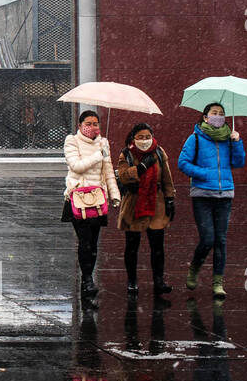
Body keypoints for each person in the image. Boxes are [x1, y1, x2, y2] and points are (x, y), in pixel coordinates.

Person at [177, 102, 246, 299]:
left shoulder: (228, 138)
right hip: (202, 195)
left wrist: (237, 142)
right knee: (208, 238)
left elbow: (238, 163)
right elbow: (182, 163)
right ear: (205, 117)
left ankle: (218, 283)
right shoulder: (195, 139)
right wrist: (204, 173)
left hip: (224, 195)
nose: (218, 116)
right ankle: (194, 268)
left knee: (221, 240)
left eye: (222, 114)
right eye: (214, 113)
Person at [63, 110, 121, 302]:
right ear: (80, 125)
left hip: (97, 200)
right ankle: (87, 279)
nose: (93, 127)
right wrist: (98, 155)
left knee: (93, 243)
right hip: (78, 199)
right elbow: (76, 166)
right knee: (85, 240)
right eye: (88, 123)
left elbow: (108, 171)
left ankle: (87, 280)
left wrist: (115, 195)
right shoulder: (71, 141)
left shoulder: (103, 143)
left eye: (96, 123)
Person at [115, 123, 177, 300]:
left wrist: (170, 198)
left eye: (147, 136)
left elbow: (167, 178)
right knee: (132, 246)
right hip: (134, 203)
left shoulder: (159, 152)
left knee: (157, 246)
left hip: (156, 203)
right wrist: (140, 167)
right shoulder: (126, 153)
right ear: (133, 138)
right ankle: (132, 281)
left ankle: (158, 281)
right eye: (140, 137)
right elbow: (124, 176)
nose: (144, 140)